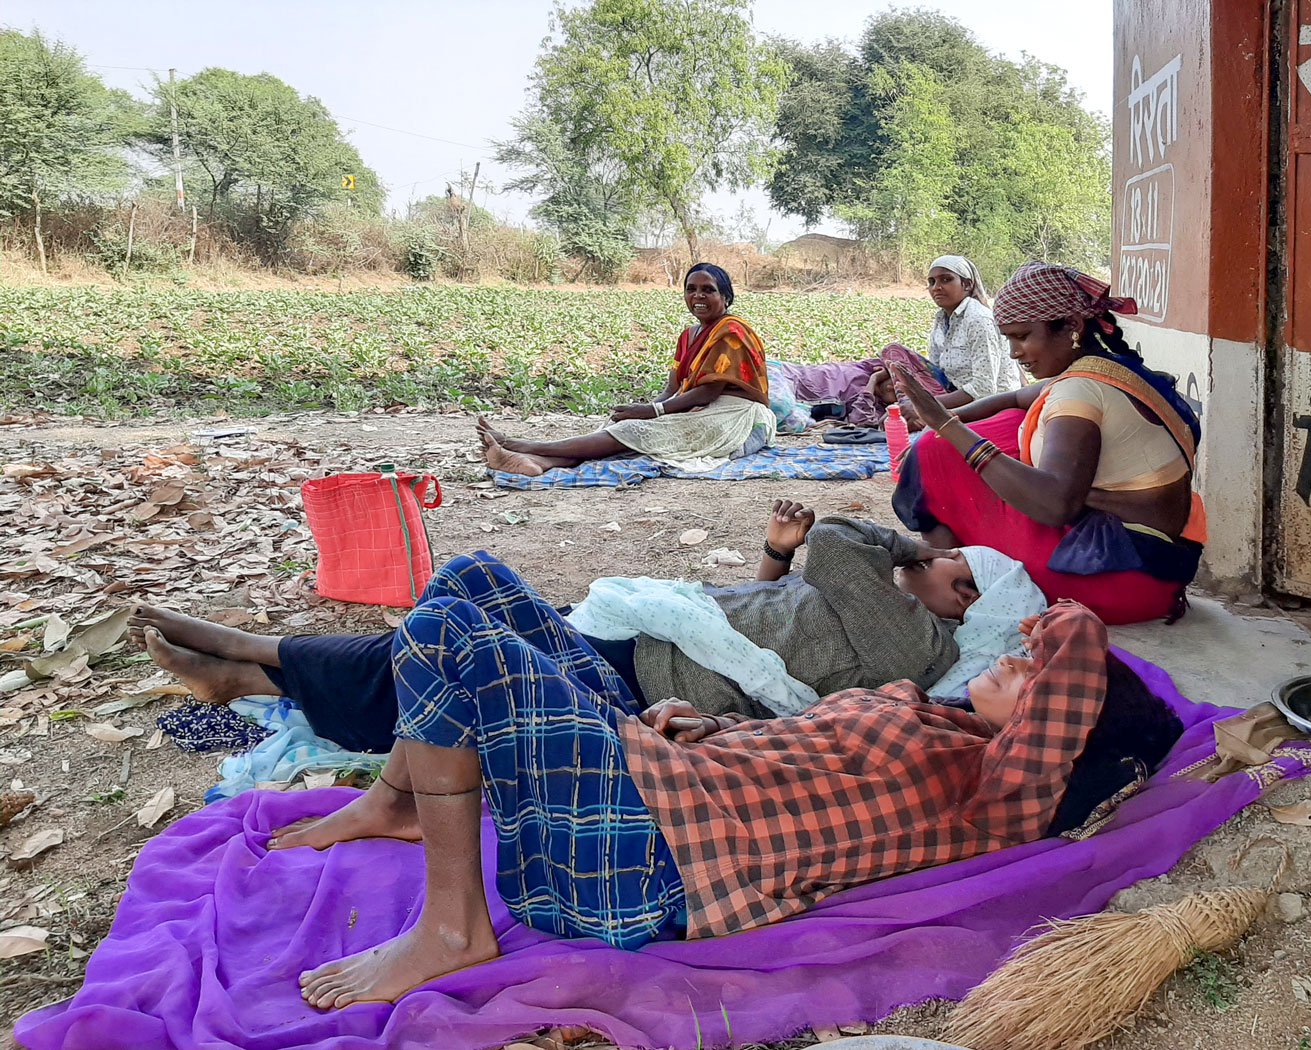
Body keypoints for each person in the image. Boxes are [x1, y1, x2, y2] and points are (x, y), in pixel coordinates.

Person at [268, 591, 1180, 1009]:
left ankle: (451, 922)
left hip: (647, 863)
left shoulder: (1000, 797)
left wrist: (1062, 626)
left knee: (441, 634)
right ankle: (396, 800)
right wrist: (705, 725)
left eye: (1041, 674)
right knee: (474, 581)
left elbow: (1076, 639)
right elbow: (804, 757)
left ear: (1062, 735)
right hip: (655, 784)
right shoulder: (938, 724)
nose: (1018, 659)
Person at [129, 503, 992, 753]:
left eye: (972, 587)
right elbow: (761, 615)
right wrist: (773, 557)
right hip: (657, 636)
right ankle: (250, 666)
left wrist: (912, 551)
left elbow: (842, 541)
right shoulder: (883, 606)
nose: (965, 595)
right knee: (462, 606)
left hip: (646, 683)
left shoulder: (923, 642)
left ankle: (250, 659)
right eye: (963, 577)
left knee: (458, 645)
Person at [889, 261, 1208, 626]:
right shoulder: (1104, 368)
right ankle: (955, 566)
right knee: (984, 431)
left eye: (1022, 336)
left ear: (1071, 326)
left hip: (1120, 577)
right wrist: (948, 415)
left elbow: (1055, 506)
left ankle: (954, 570)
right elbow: (1014, 398)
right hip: (1156, 565)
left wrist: (945, 425)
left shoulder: (1079, 391)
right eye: (1009, 338)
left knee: (938, 454)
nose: (1014, 352)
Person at [479, 263, 775, 476]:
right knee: (624, 427)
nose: (698, 296)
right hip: (700, 406)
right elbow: (673, 388)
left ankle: (524, 444)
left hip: (736, 415)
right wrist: (650, 406)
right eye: (691, 289)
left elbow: (709, 390)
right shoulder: (688, 336)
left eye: (708, 290)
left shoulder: (732, 330)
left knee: (638, 430)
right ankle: (542, 462)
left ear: (725, 296)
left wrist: (653, 413)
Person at [776, 255, 1018, 432]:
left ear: (967, 285)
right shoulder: (941, 319)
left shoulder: (979, 320)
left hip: (986, 401)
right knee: (894, 352)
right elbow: (936, 370)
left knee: (909, 418)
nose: (937, 287)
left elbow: (985, 388)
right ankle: (912, 409)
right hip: (952, 389)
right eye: (932, 282)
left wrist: (925, 406)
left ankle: (916, 411)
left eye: (946, 280)